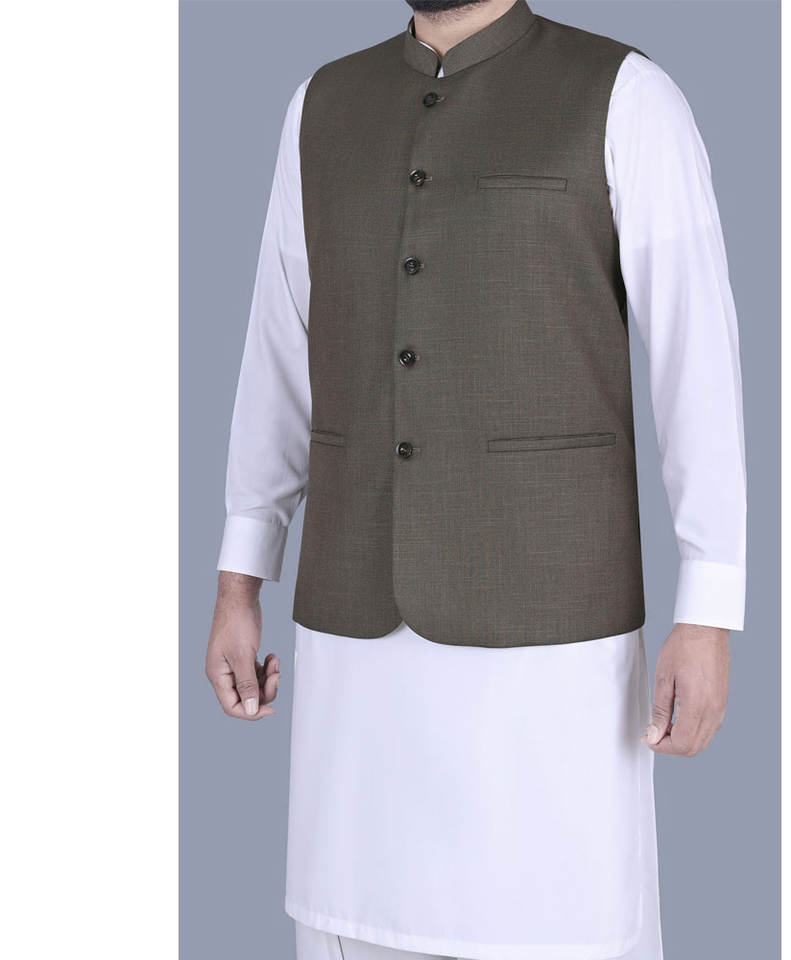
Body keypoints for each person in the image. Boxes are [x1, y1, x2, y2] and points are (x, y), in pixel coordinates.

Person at [206, 2, 746, 959]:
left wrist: (707, 613)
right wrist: (239, 580)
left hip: (551, 639)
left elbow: (696, 362)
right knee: (347, 922)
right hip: (354, 639)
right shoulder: (319, 105)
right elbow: (278, 349)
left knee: (562, 919)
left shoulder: (628, 96)